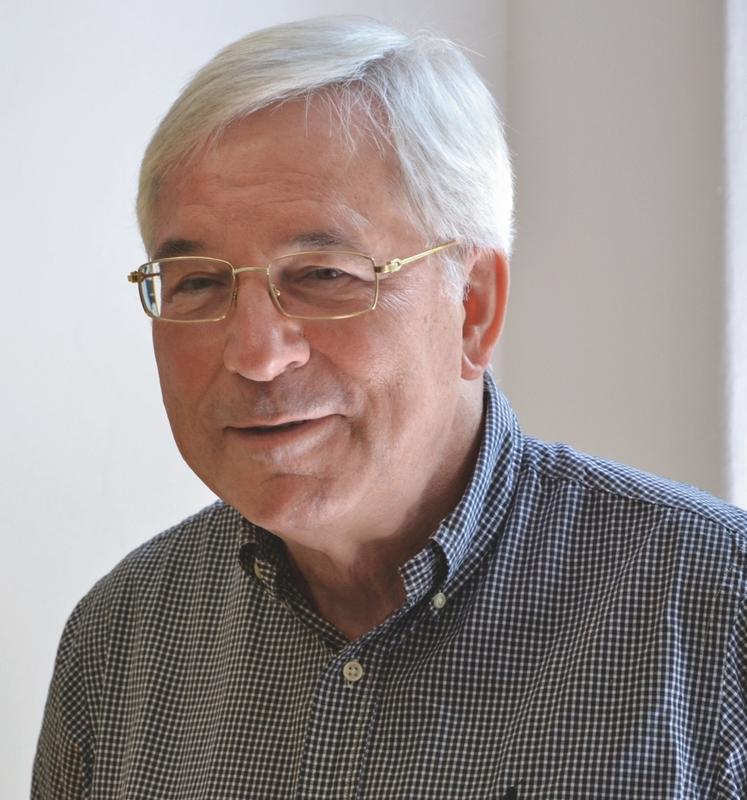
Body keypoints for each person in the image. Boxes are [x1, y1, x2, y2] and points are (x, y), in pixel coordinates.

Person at [33, 16, 746, 799]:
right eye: (199, 283)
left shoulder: (715, 613)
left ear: (473, 307)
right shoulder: (118, 641)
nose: (256, 353)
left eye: (324, 274)